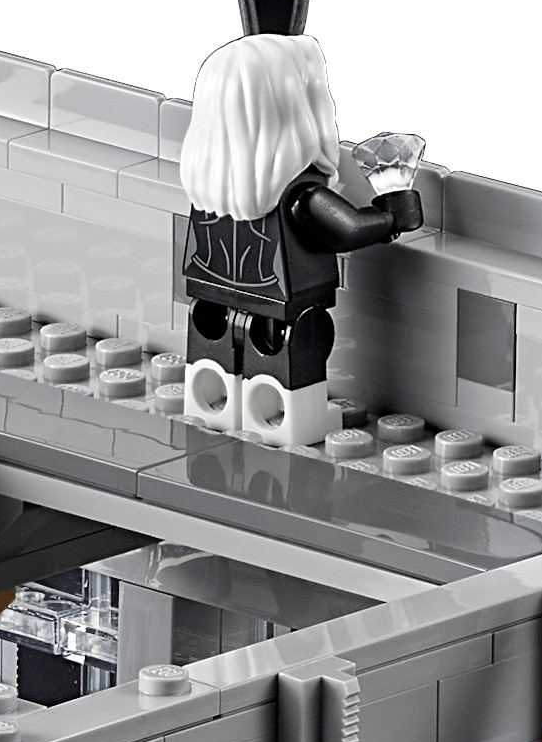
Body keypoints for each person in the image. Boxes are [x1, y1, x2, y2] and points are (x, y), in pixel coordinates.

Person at [178, 31, 421, 446]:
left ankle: (210, 405)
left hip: (211, 298)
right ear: (294, 107)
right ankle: (290, 421)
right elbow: (347, 229)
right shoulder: (299, 193)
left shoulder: (212, 189)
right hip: (288, 307)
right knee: (293, 359)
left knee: (212, 354)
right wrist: (392, 216)